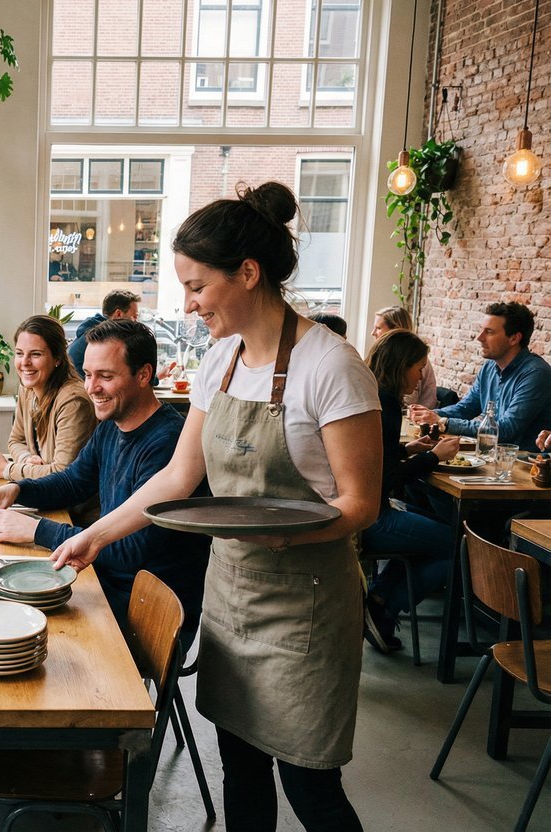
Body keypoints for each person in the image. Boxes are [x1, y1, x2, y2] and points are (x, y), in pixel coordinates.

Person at [53, 182, 382, 831]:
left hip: (305, 608)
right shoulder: (221, 360)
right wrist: (96, 536)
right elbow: (179, 476)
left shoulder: (332, 367)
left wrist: (288, 535)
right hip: (231, 597)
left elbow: (361, 503)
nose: (189, 303)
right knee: (241, 770)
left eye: (197, 286)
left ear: (248, 274)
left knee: (310, 786)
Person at [0, 318, 209, 641]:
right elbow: (73, 483)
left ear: (144, 375)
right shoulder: (112, 425)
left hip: (144, 613)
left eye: (105, 376)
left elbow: (132, 550)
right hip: (105, 585)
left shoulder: (168, 442)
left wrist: (37, 530)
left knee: (12, 628)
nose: (91, 387)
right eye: (87, 374)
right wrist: (17, 490)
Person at [360, 329, 458, 653]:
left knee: (436, 529)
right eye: (418, 368)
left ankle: (377, 597)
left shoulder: (372, 394)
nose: (419, 378)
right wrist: (434, 457)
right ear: (402, 366)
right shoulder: (385, 404)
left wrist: (408, 449)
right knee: (456, 545)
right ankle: (385, 608)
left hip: (367, 510)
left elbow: (376, 458)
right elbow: (387, 477)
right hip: (373, 518)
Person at [409, 301, 551, 451]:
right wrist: (429, 415)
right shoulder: (489, 367)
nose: (479, 337)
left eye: (489, 332)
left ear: (514, 339)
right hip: (490, 455)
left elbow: (507, 429)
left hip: (525, 462)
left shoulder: (536, 373)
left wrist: (443, 422)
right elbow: (465, 408)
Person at [0, 314, 96, 485]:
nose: (25, 362)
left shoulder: (74, 402)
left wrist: (6, 469)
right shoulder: (27, 387)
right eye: (19, 353)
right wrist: (27, 458)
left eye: (35, 354)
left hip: (69, 501)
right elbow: (16, 440)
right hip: (42, 491)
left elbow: (62, 473)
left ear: (57, 358)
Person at [372, 304, 438, 408]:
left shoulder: (416, 362)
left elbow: (406, 404)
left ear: (395, 330)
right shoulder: (381, 357)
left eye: (378, 328)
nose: (373, 333)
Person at [67, 289, 139, 377]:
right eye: (134, 316)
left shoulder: (92, 327)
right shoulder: (106, 337)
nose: (136, 322)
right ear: (118, 314)